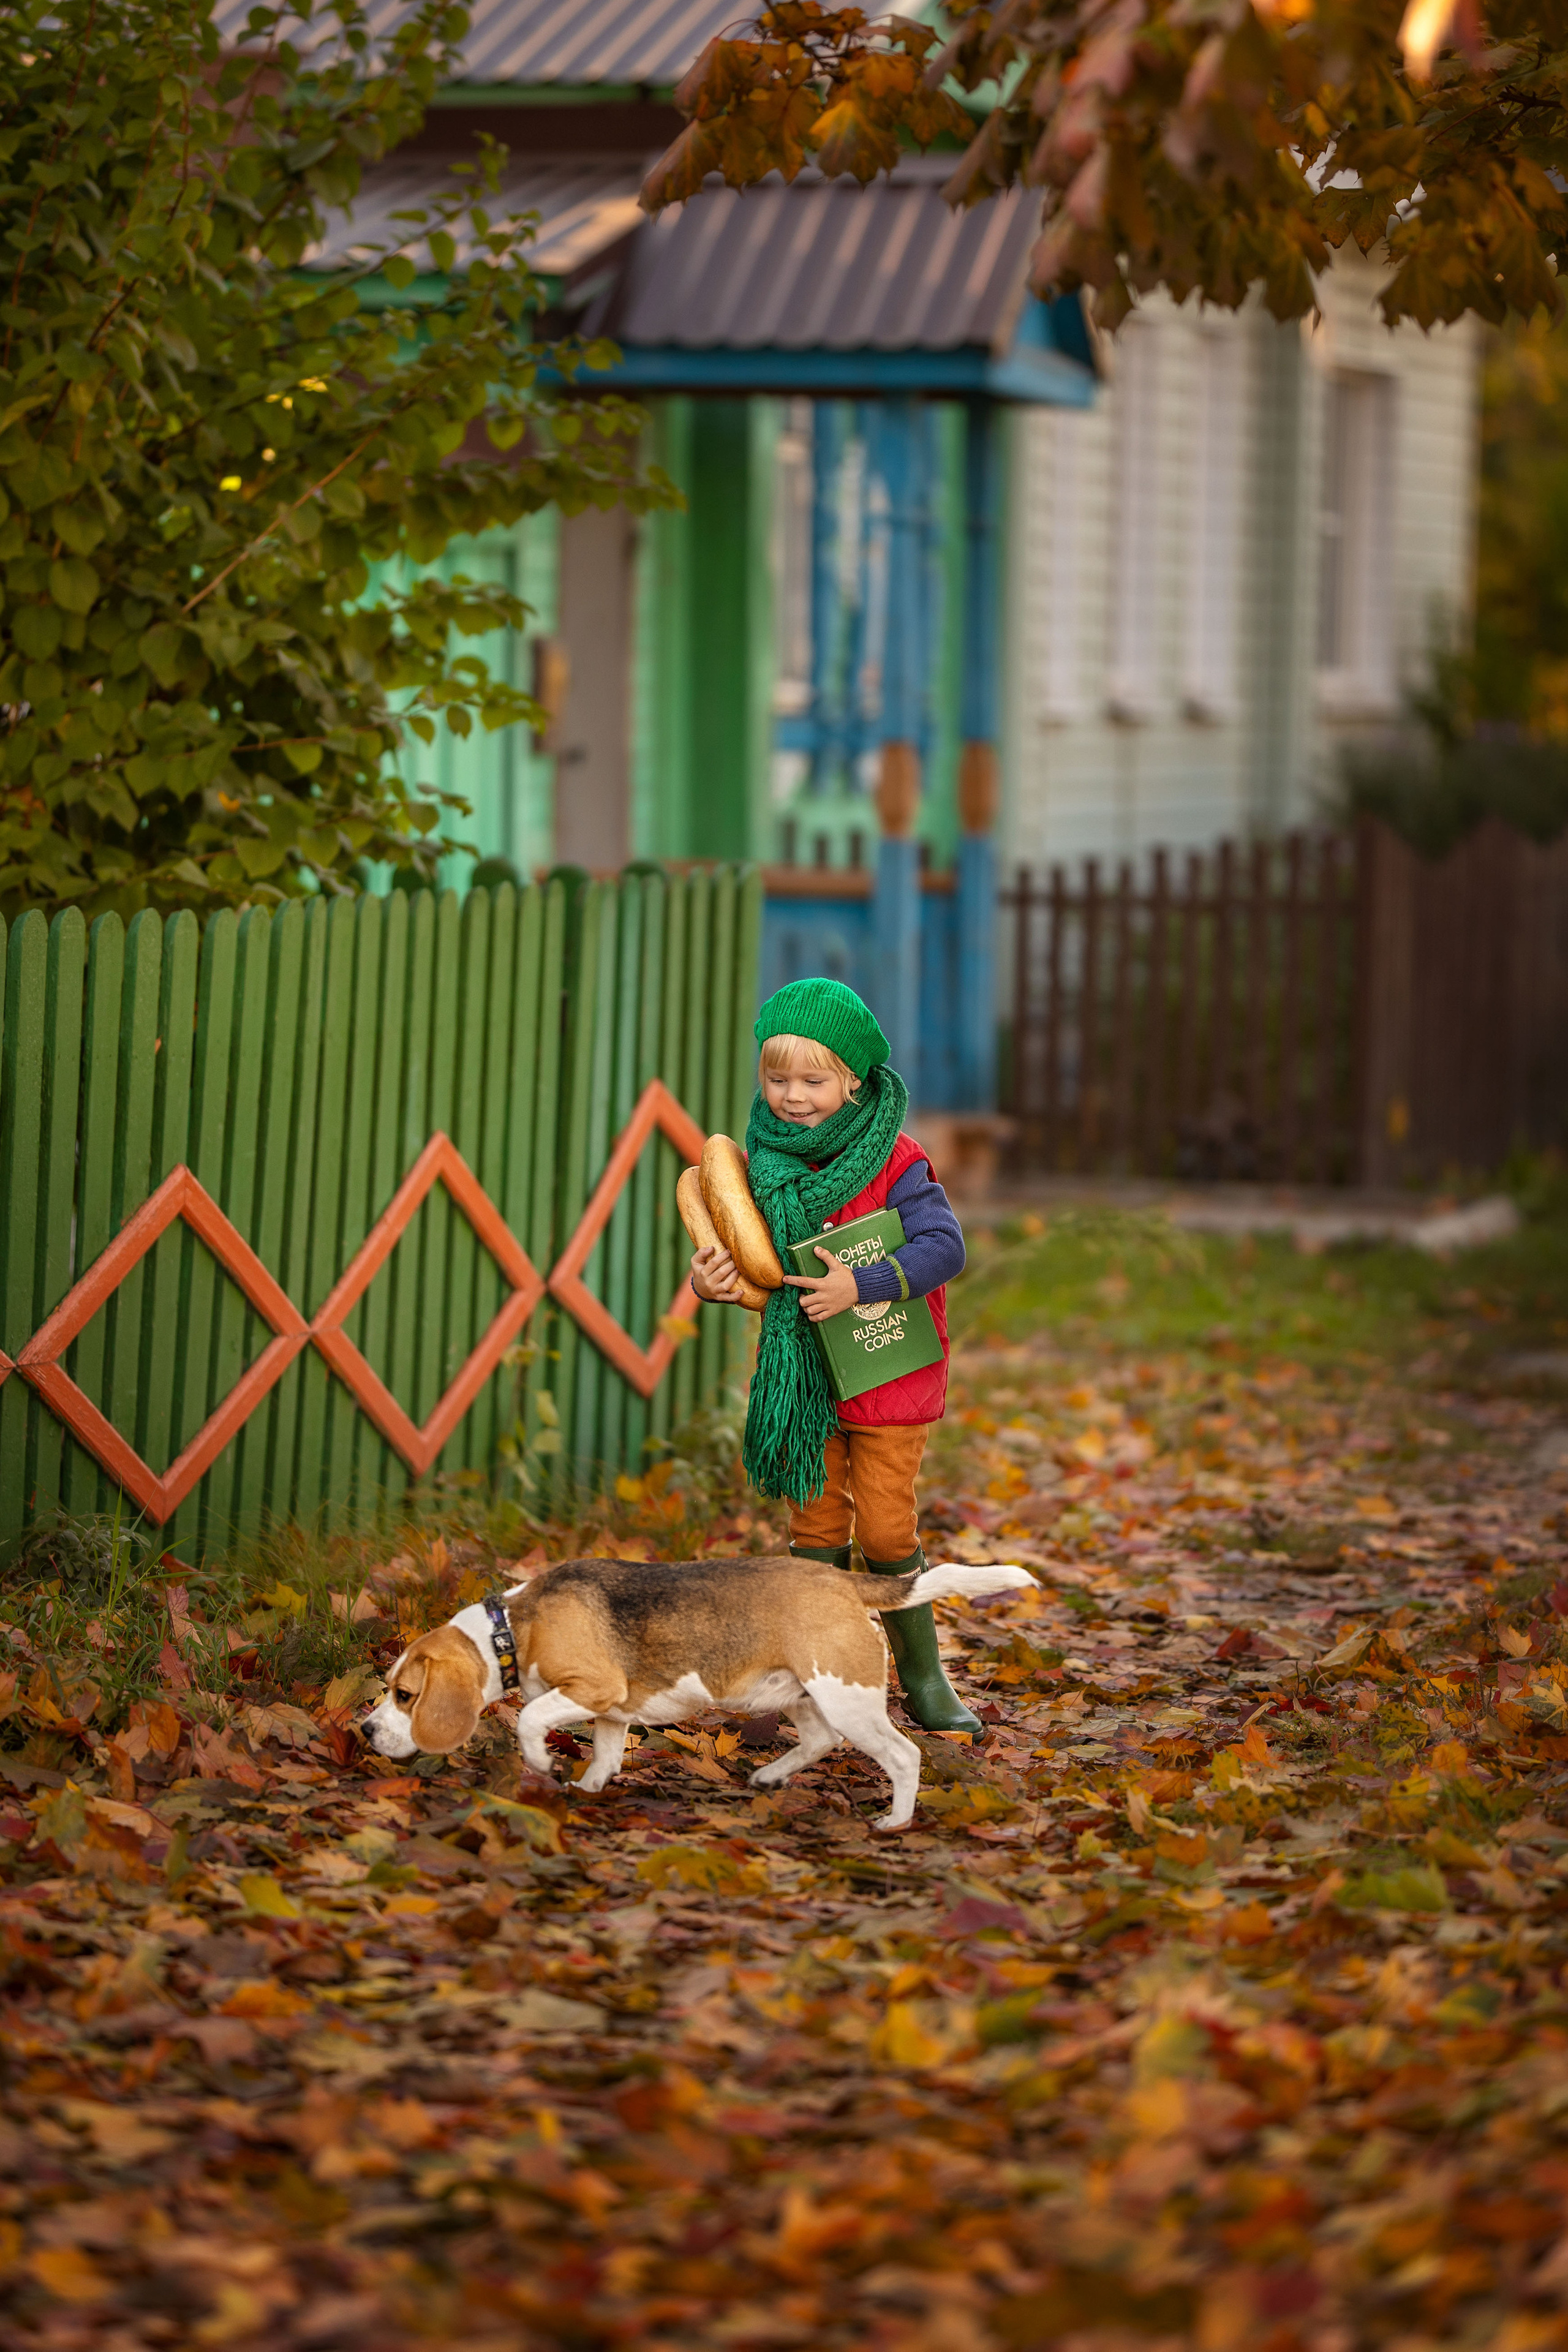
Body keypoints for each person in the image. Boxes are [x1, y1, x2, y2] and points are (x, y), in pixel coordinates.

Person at [688, 976, 977, 1736]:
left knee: (883, 1532)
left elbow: (945, 1249)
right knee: (814, 1530)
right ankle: (812, 1677)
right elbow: (753, 1271)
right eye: (776, 1078)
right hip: (806, 1383)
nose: (792, 1096)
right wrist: (709, 1279)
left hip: (887, 1379)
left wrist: (865, 1283)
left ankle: (920, 1671)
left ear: (853, 1078)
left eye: (813, 1080)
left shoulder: (899, 1159)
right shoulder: (762, 1165)